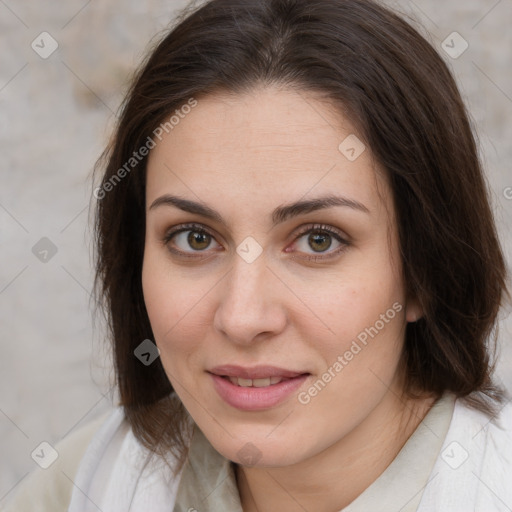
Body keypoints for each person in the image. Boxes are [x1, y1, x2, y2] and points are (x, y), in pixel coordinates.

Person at [4, 0, 511, 510]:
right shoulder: (85, 486)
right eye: (194, 238)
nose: (242, 318)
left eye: (318, 240)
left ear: (426, 271)